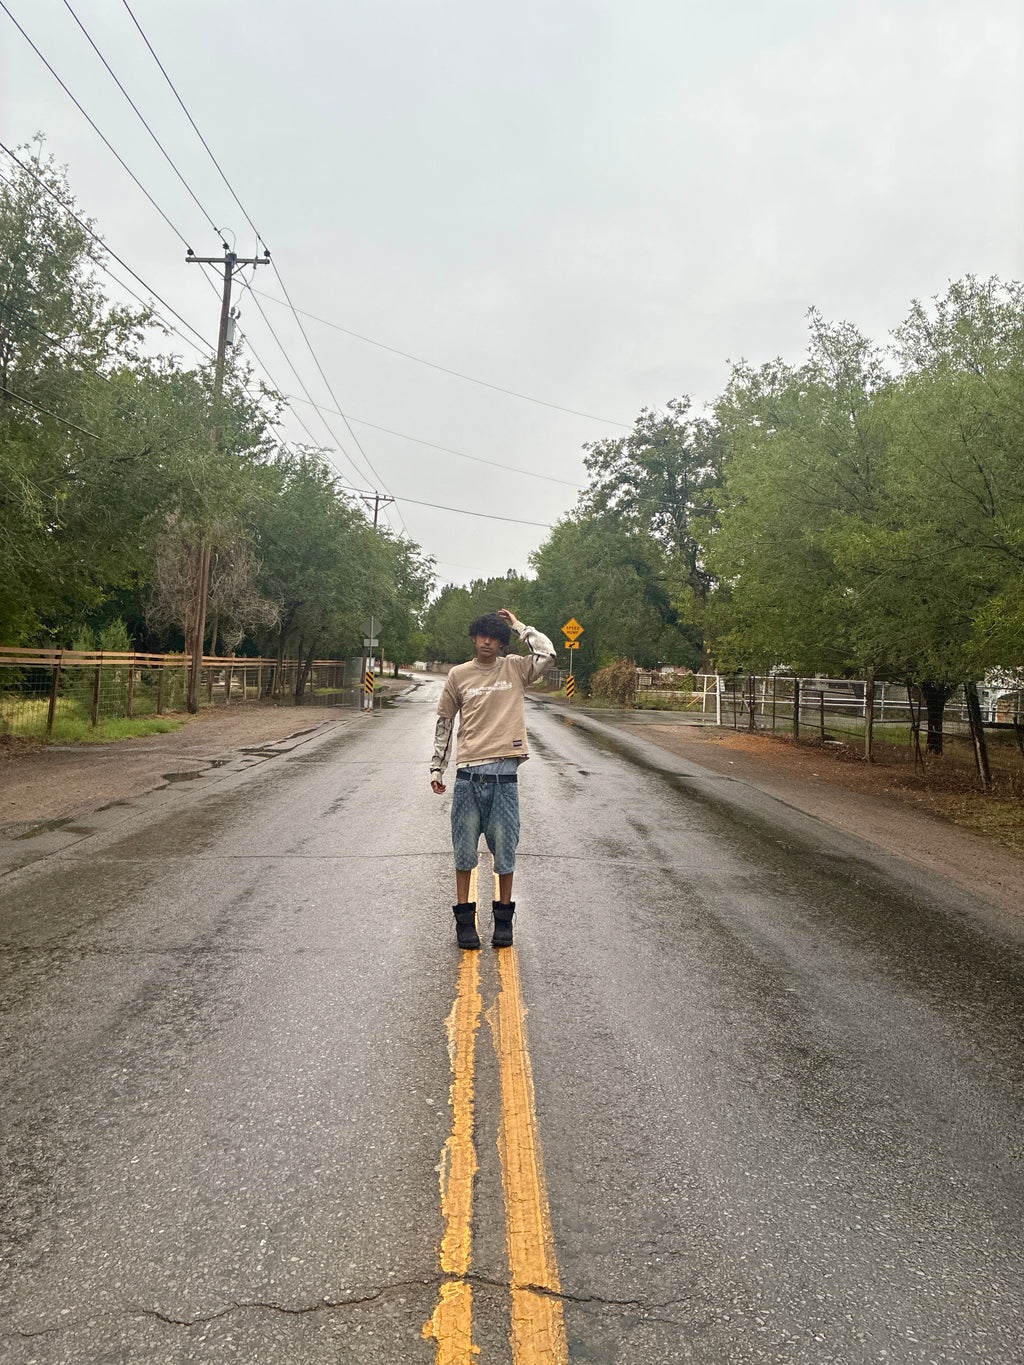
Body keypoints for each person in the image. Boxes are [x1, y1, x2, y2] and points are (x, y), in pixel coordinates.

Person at [430, 608, 555, 948]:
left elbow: (546, 653)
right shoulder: (458, 675)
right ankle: (464, 923)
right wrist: (437, 767)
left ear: (501, 642)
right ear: (473, 638)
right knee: (464, 853)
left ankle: (503, 921)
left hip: (504, 782)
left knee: (505, 854)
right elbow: (445, 722)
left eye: (495, 636)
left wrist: (518, 626)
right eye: (482, 635)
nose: (488, 641)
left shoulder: (515, 668)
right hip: (469, 778)